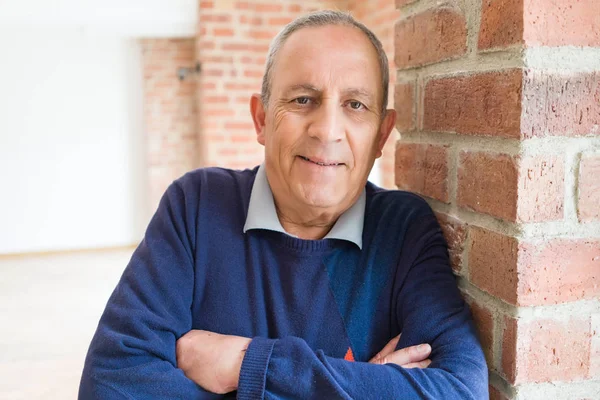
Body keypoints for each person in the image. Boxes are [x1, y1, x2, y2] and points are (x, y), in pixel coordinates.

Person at [79, 10, 488, 399]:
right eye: (303, 99)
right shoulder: (196, 205)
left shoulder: (404, 229)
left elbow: (461, 391)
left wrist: (246, 366)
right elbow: (110, 384)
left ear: (382, 136)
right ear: (261, 119)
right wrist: (368, 384)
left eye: (355, 105)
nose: (327, 131)